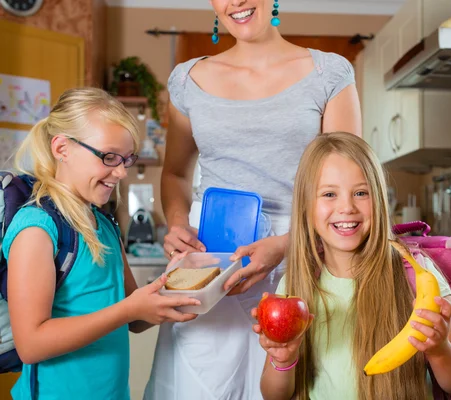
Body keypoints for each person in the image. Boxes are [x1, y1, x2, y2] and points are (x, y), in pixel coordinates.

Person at [145, 0, 362, 398]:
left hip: (303, 255)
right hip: (211, 262)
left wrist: (285, 246)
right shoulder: (187, 80)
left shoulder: (329, 73)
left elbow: (349, 181)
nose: (237, 2)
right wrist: (177, 225)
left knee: (290, 382)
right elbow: (174, 173)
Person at [3, 88, 200, 400]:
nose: (121, 171)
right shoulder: (37, 228)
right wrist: (127, 310)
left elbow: (133, 316)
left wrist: (173, 291)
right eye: (109, 157)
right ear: (62, 148)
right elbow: (31, 345)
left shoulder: (104, 224)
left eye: (126, 158)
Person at [253, 132, 451, 400]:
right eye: (329, 194)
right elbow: (272, 395)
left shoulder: (416, 275)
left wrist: (440, 351)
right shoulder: (294, 286)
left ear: (379, 200)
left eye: (361, 193)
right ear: (306, 207)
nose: (346, 207)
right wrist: (283, 359)